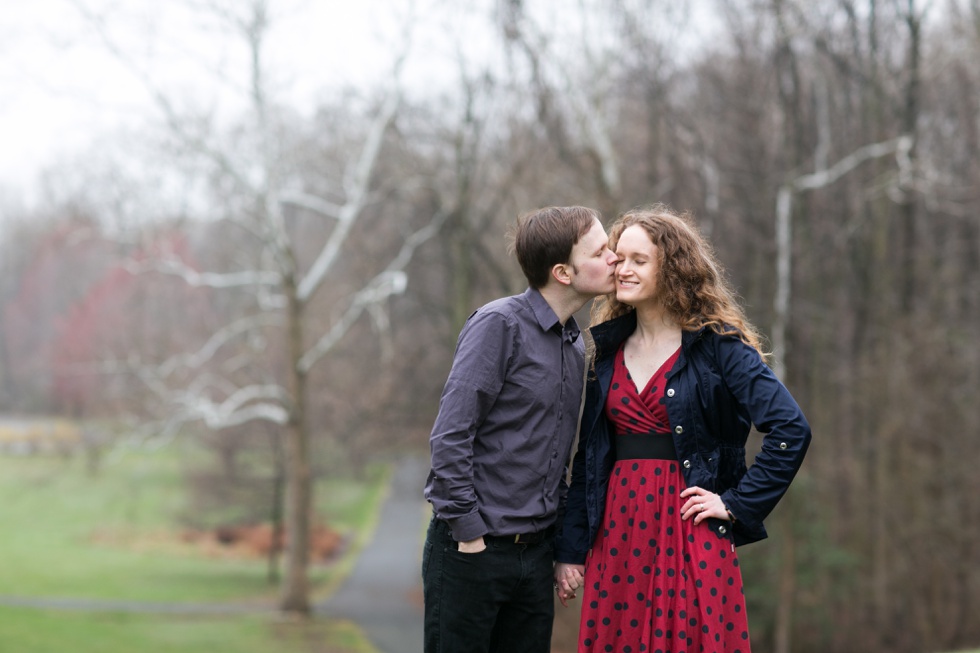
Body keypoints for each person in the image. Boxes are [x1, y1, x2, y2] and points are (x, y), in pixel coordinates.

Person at [553, 205, 811, 653]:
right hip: (618, 534)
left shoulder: (720, 347)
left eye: (639, 260)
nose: (623, 269)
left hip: (691, 527)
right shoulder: (606, 352)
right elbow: (591, 456)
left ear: (672, 268)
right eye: (619, 257)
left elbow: (791, 429)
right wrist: (571, 549)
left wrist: (735, 504)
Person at [422, 206, 619, 653]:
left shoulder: (574, 345)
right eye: (602, 250)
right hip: (472, 552)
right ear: (563, 272)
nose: (614, 258)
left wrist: (559, 549)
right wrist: (470, 534)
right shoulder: (499, 325)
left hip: (536, 558)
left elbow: (558, 459)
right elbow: (451, 435)